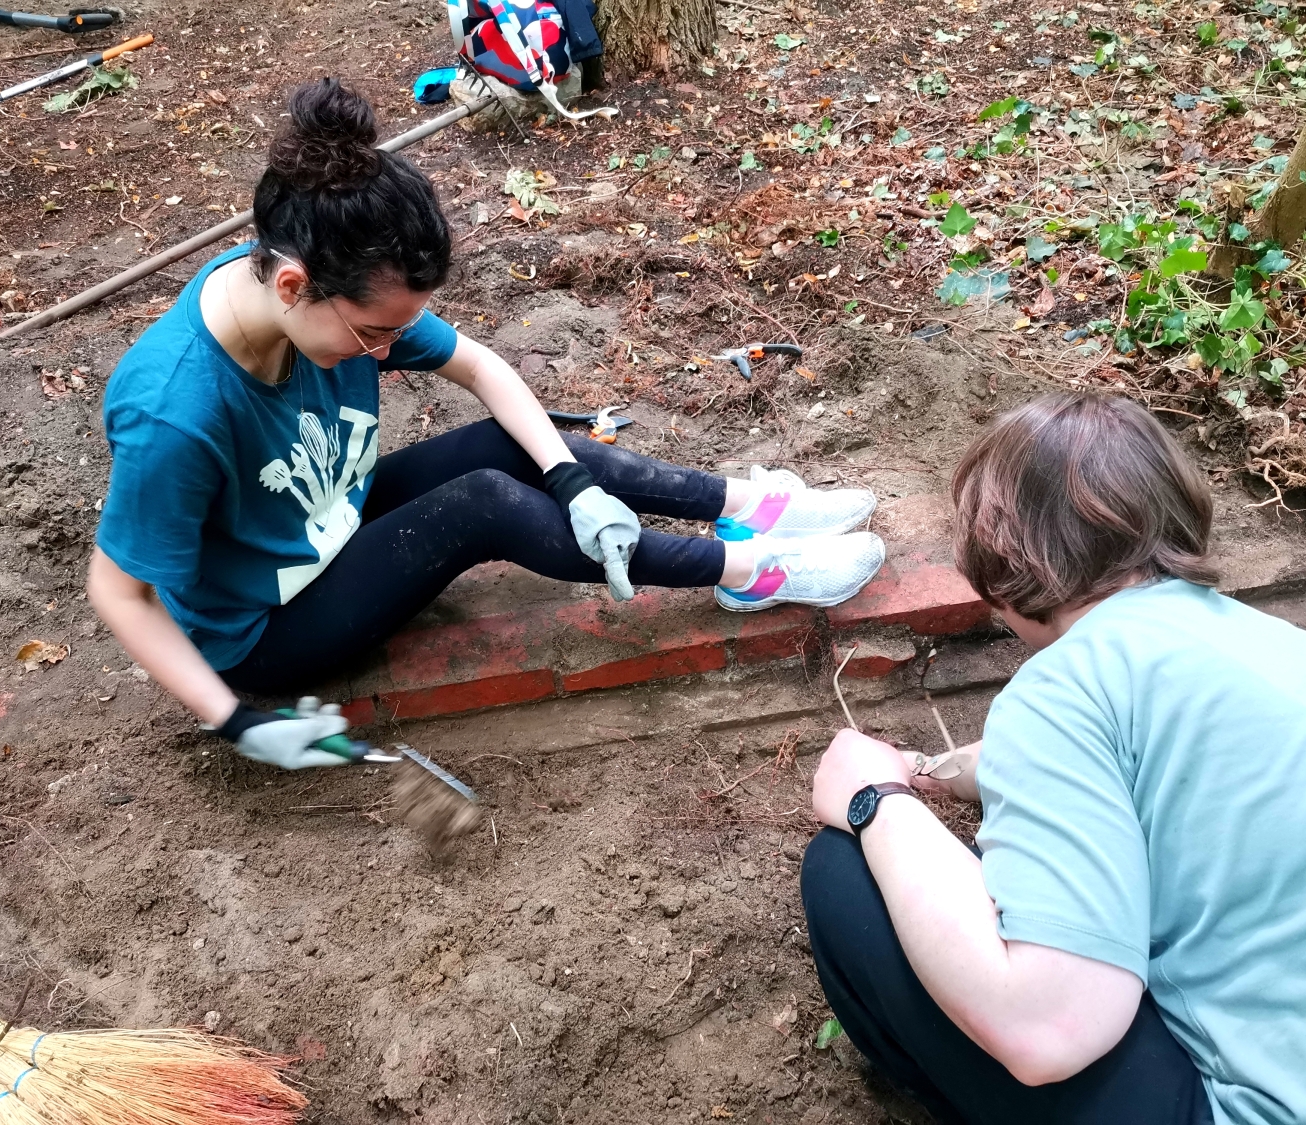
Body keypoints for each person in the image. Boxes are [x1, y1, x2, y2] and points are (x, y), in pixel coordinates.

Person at [87, 78, 886, 771]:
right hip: (269, 624)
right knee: (481, 503)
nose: (391, 350)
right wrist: (235, 720)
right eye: (375, 337)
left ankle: (744, 506)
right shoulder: (175, 412)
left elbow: (482, 368)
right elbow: (120, 593)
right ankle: (747, 573)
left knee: (513, 443)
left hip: (329, 515)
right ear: (293, 286)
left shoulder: (312, 292)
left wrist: (573, 483)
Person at [800, 392, 1306, 1125]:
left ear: (1005, 560)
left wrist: (876, 801)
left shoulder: (1064, 685)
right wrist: (985, 768)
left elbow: (1050, 1030)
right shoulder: (1290, 652)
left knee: (845, 873)